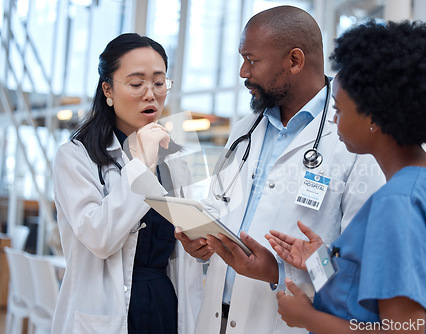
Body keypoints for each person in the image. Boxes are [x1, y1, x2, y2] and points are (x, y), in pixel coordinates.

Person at [174, 6, 385, 334]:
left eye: (252, 60)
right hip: (216, 318)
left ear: (295, 61)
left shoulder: (355, 141)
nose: (243, 72)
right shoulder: (245, 129)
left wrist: (279, 272)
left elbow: (357, 269)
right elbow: (220, 208)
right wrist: (201, 243)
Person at [267, 20, 426, 334]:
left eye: (339, 110)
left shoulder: (398, 202)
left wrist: (307, 318)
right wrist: (321, 261)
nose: (334, 121)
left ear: (373, 115)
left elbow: (403, 330)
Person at [52, 33, 203, 334]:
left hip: (164, 305)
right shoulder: (75, 156)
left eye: (159, 83)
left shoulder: (178, 157)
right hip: (108, 311)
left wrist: (203, 244)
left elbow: (190, 238)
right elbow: (100, 237)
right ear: (107, 89)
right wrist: (141, 163)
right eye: (136, 84)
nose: (151, 94)